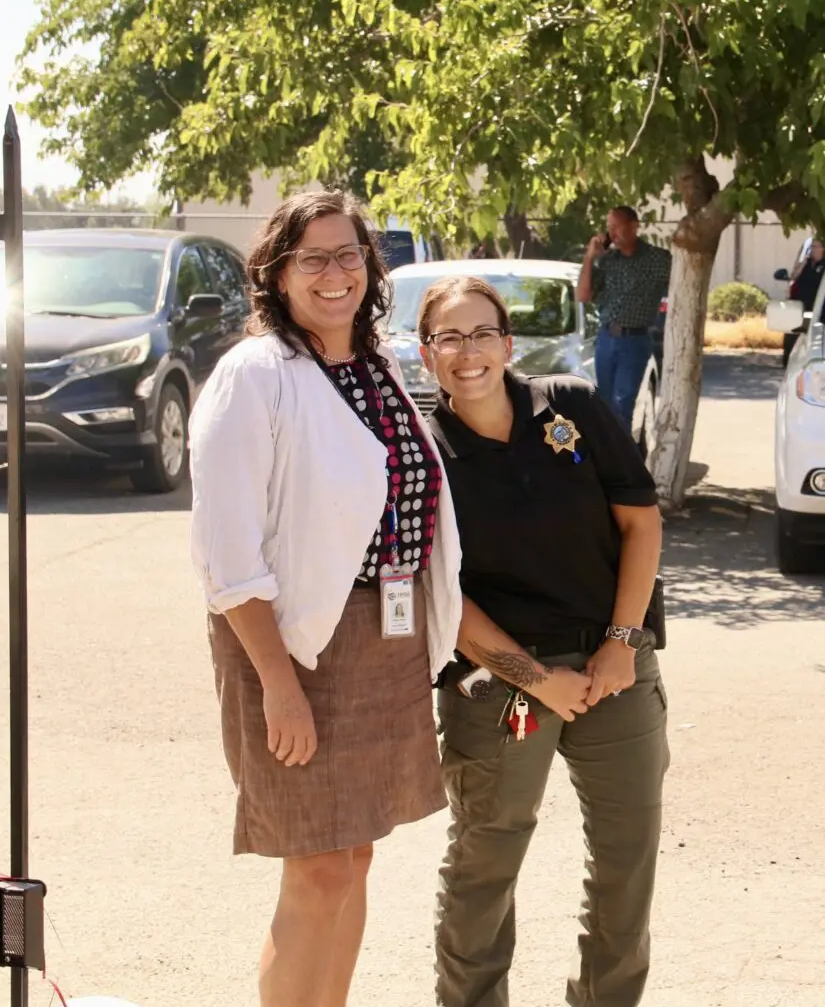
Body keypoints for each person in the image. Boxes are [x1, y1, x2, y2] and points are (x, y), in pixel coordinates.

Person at [188, 191, 464, 1007]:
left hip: (383, 638)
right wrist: (277, 682)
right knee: (313, 867)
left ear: (371, 268)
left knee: (356, 856)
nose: (334, 273)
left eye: (349, 255)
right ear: (276, 273)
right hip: (295, 644)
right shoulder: (252, 376)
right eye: (312, 258)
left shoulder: (375, 365)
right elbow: (226, 555)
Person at [416, 275, 670, 1007]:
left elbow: (640, 523)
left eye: (482, 333)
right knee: (483, 863)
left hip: (613, 668)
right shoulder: (421, 450)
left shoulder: (571, 407)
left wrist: (621, 644)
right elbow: (438, 590)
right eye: (449, 337)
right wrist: (534, 678)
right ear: (427, 350)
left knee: (627, 862)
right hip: (495, 686)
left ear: (508, 341)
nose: (468, 353)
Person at [576, 206, 671, 432]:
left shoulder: (659, 260)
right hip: (607, 338)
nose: (612, 234)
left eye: (617, 227)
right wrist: (590, 257)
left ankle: (621, 462)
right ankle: (607, 460)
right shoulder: (607, 262)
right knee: (604, 406)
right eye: (609, 228)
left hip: (634, 340)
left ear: (634, 226)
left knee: (622, 405)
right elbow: (582, 295)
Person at [783, 238, 825, 365]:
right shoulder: (807, 265)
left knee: (817, 336)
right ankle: (790, 360)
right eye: (812, 247)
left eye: (816, 247)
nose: (813, 250)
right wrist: (801, 264)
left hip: (819, 309)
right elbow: (795, 278)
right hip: (804, 307)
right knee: (796, 334)